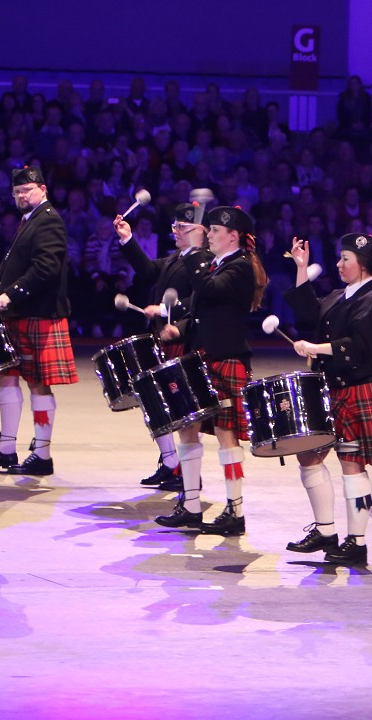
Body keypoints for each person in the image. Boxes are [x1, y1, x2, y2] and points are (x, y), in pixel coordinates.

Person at [284, 233, 372, 566]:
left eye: (345, 259)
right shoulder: (341, 295)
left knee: (352, 464)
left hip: (357, 388)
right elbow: (309, 312)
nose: (339, 264)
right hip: (331, 388)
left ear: (363, 263)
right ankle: (325, 531)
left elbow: (358, 346)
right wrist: (301, 267)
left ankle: (357, 543)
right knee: (308, 455)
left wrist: (316, 348)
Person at [152, 206, 267, 537]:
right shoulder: (218, 265)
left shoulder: (241, 267)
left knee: (226, 436)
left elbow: (211, 290)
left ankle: (235, 510)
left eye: (215, 231)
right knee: (187, 427)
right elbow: (204, 309)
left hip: (226, 358)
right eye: (210, 230)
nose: (211, 235)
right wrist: (180, 327)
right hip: (202, 356)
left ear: (233, 236)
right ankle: (190, 505)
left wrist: (191, 250)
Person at [0, 167, 77, 476]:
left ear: (43, 189)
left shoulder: (49, 220)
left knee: (38, 385)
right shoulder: (30, 220)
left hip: (39, 314)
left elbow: (47, 268)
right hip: (19, 312)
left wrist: (12, 295)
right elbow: (17, 269)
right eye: (16, 192)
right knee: (6, 376)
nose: (20, 196)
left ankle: (42, 455)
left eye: (27, 190)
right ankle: (6, 448)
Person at [114, 201, 205, 490]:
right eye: (174, 226)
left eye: (182, 227)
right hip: (163, 340)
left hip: (184, 340)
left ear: (199, 231)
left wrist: (169, 314)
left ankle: (187, 475)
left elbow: (200, 304)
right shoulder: (176, 257)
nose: (175, 231)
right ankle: (170, 463)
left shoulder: (204, 261)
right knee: (157, 404)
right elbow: (148, 271)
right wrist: (127, 238)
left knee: (182, 413)